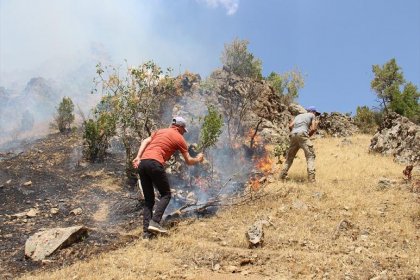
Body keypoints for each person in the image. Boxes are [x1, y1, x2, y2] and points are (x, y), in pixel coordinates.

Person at [132, 116, 204, 239]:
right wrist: (198, 159)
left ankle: (146, 233)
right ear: (180, 127)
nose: (183, 132)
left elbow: (145, 141)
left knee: (149, 200)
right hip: (155, 163)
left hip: (143, 163)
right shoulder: (179, 138)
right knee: (166, 194)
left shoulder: (159, 131)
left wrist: (138, 157)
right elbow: (188, 161)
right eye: (183, 130)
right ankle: (155, 222)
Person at [279, 106, 320, 183]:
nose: (316, 115)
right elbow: (313, 128)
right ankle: (312, 180)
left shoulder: (298, 116)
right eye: (316, 113)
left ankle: (281, 177)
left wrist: (294, 132)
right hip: (303, 134)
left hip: (293, 135)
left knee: (289, 158)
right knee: (310, 156)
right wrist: (308, 135)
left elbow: (290, 126)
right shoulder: (312, 115)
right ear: (313, 112)